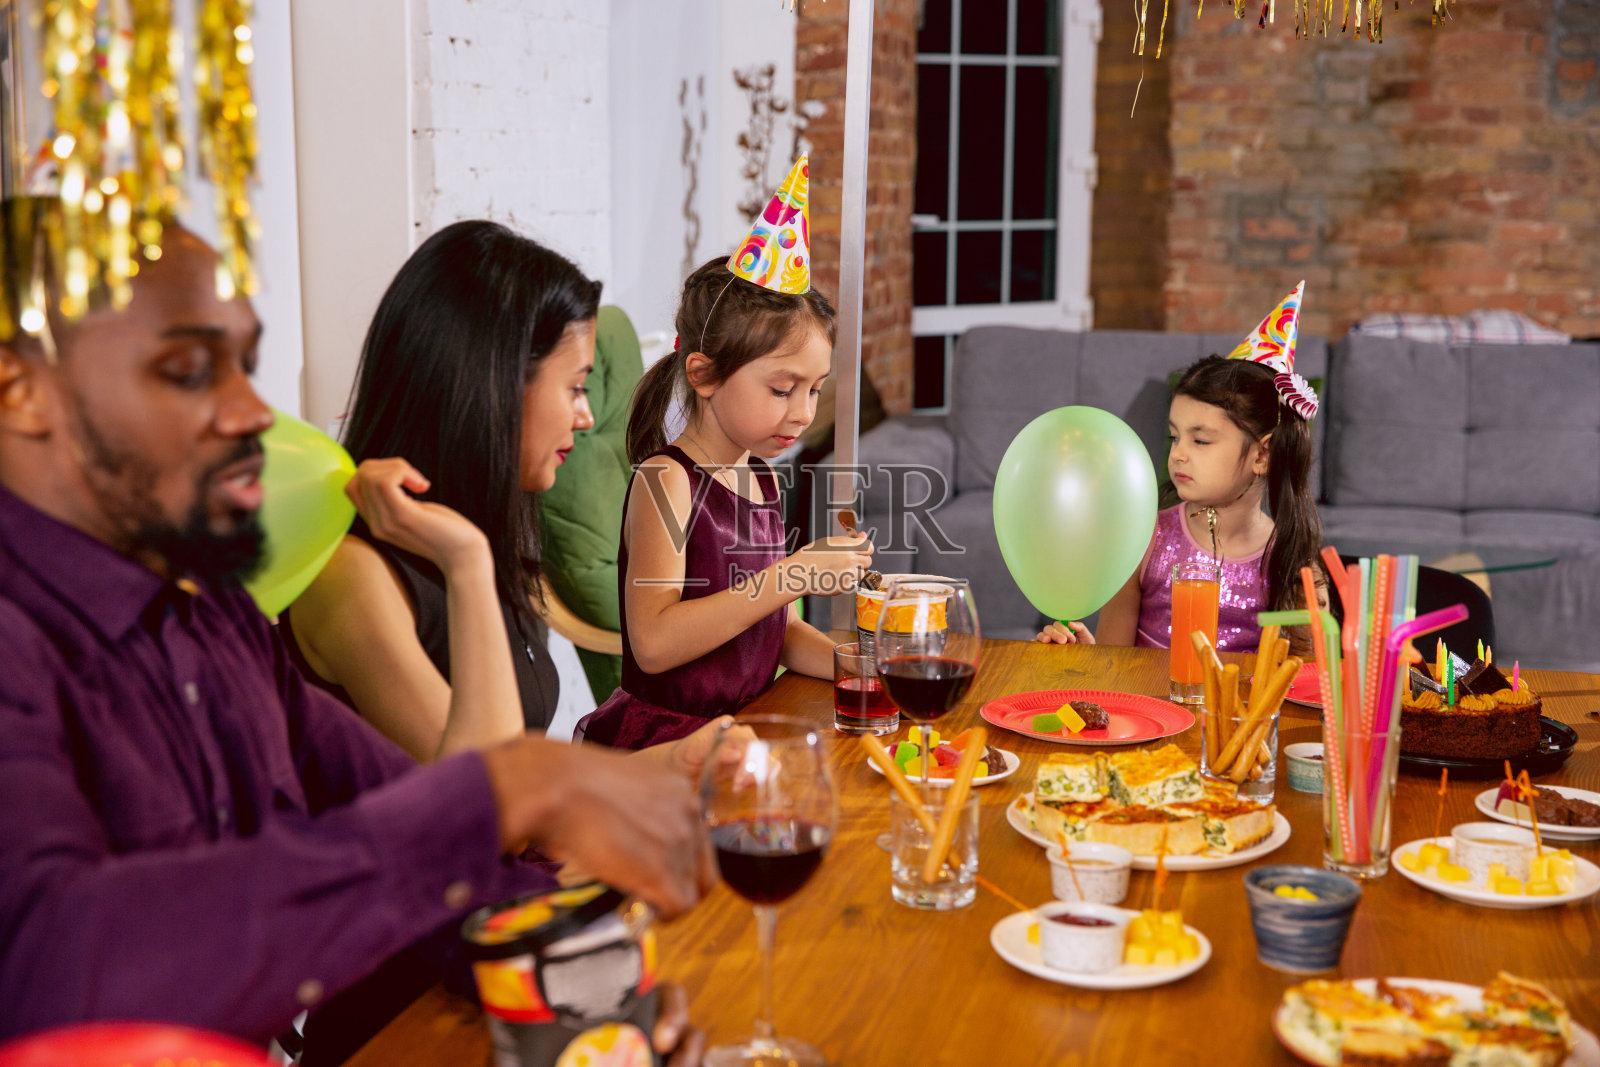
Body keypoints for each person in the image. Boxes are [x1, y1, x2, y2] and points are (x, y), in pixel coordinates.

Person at [0, 216, 712, 1062]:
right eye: (189, 370)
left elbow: (428, 840)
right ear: (22, 391)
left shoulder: (211, 617)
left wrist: (581, 987)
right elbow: (50, 958)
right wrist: (511, 785)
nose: (251, 414)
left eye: (245, 364)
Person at [281, 221, 729, 769]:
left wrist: (681, 761)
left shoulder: (491, 527)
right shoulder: (352, 577)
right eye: (574, 387)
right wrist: (467, 564)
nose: (585, 416)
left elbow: (529, 777)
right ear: (492, 388)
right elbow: (488, 804)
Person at [577, 250, 873, 750]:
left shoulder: (762, 479)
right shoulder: (666, 480)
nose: (803, 413)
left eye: (815, 390)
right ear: (704, 375)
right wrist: (792, 574)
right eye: (783, 389)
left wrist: (858, 669)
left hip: (751, 728)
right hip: (673, 746)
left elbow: (778, 629)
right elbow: (653, 643)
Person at [1039, 287, 1326, 655]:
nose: (1178, 455)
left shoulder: (1292, 562)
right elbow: (1113, 660)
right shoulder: (1143, 538)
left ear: (1263, 453)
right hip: (1150, 712)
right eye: (1174, 437)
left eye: (1201, 441)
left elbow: (1305, 687)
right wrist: (1085, 651)